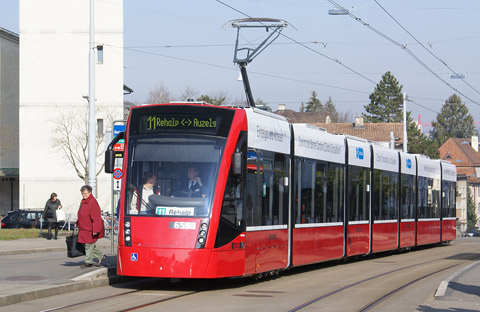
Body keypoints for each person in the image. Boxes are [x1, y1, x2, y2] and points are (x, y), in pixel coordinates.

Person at [77, 185, 106, 268]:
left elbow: (96, 217)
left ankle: (88, 262)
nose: (83, 195)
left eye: (85, 193)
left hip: (90, 228)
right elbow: (81, 214)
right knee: (86, 244)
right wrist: (77, 222)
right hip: (83, 227)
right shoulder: (83, 201)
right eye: (82, 194)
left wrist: (96, 229)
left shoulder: (92, 202)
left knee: (88, 245)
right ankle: (100, 256)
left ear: (90, 193)